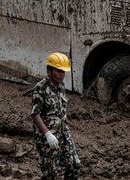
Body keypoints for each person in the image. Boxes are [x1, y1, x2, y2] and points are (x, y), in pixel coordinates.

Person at [31, 52, 80, 180]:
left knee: (74, 164)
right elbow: (35, 114)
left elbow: (61, 109)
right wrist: (47, 134)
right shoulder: (40, 88)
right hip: (47, 138)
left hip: (63, 134)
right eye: (58, 71)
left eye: (63, 71)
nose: (61, 74)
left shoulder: (61, 87)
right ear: (49, 70)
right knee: (50, 174)